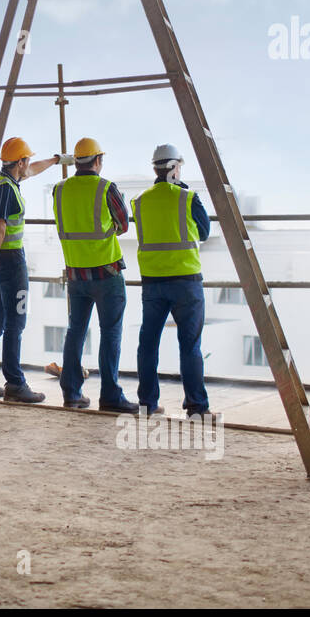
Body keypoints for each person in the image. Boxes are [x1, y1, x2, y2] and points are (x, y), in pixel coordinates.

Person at [50, 138, 137, 412]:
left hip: (75, 274)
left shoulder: (59, 189)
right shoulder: (105, 187)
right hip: (106, 272)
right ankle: (110, 396)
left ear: (77, 161)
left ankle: (72, 393)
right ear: (97, 161)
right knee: (110, 333)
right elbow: (123, 225)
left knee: (75, 331)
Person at [132, 144, 218, 418]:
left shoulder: (140, 201)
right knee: (190, 345)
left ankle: (147, 404)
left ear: (155, 168)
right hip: (186, 281)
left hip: (153, 282)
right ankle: (196, 407)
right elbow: (204, 232)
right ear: (175, 168)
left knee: (148, 343)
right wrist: (183, 188)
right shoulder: (188, 197)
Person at [0, 137, 60, 403]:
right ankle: (15, 383)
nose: (30, 165)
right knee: (15, 322)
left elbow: (34, 170)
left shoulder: (5, 181)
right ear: (19, 162)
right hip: (10, 262)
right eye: (27, 160)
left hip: (2, 261)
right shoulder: (6, 190)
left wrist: (57, 160)